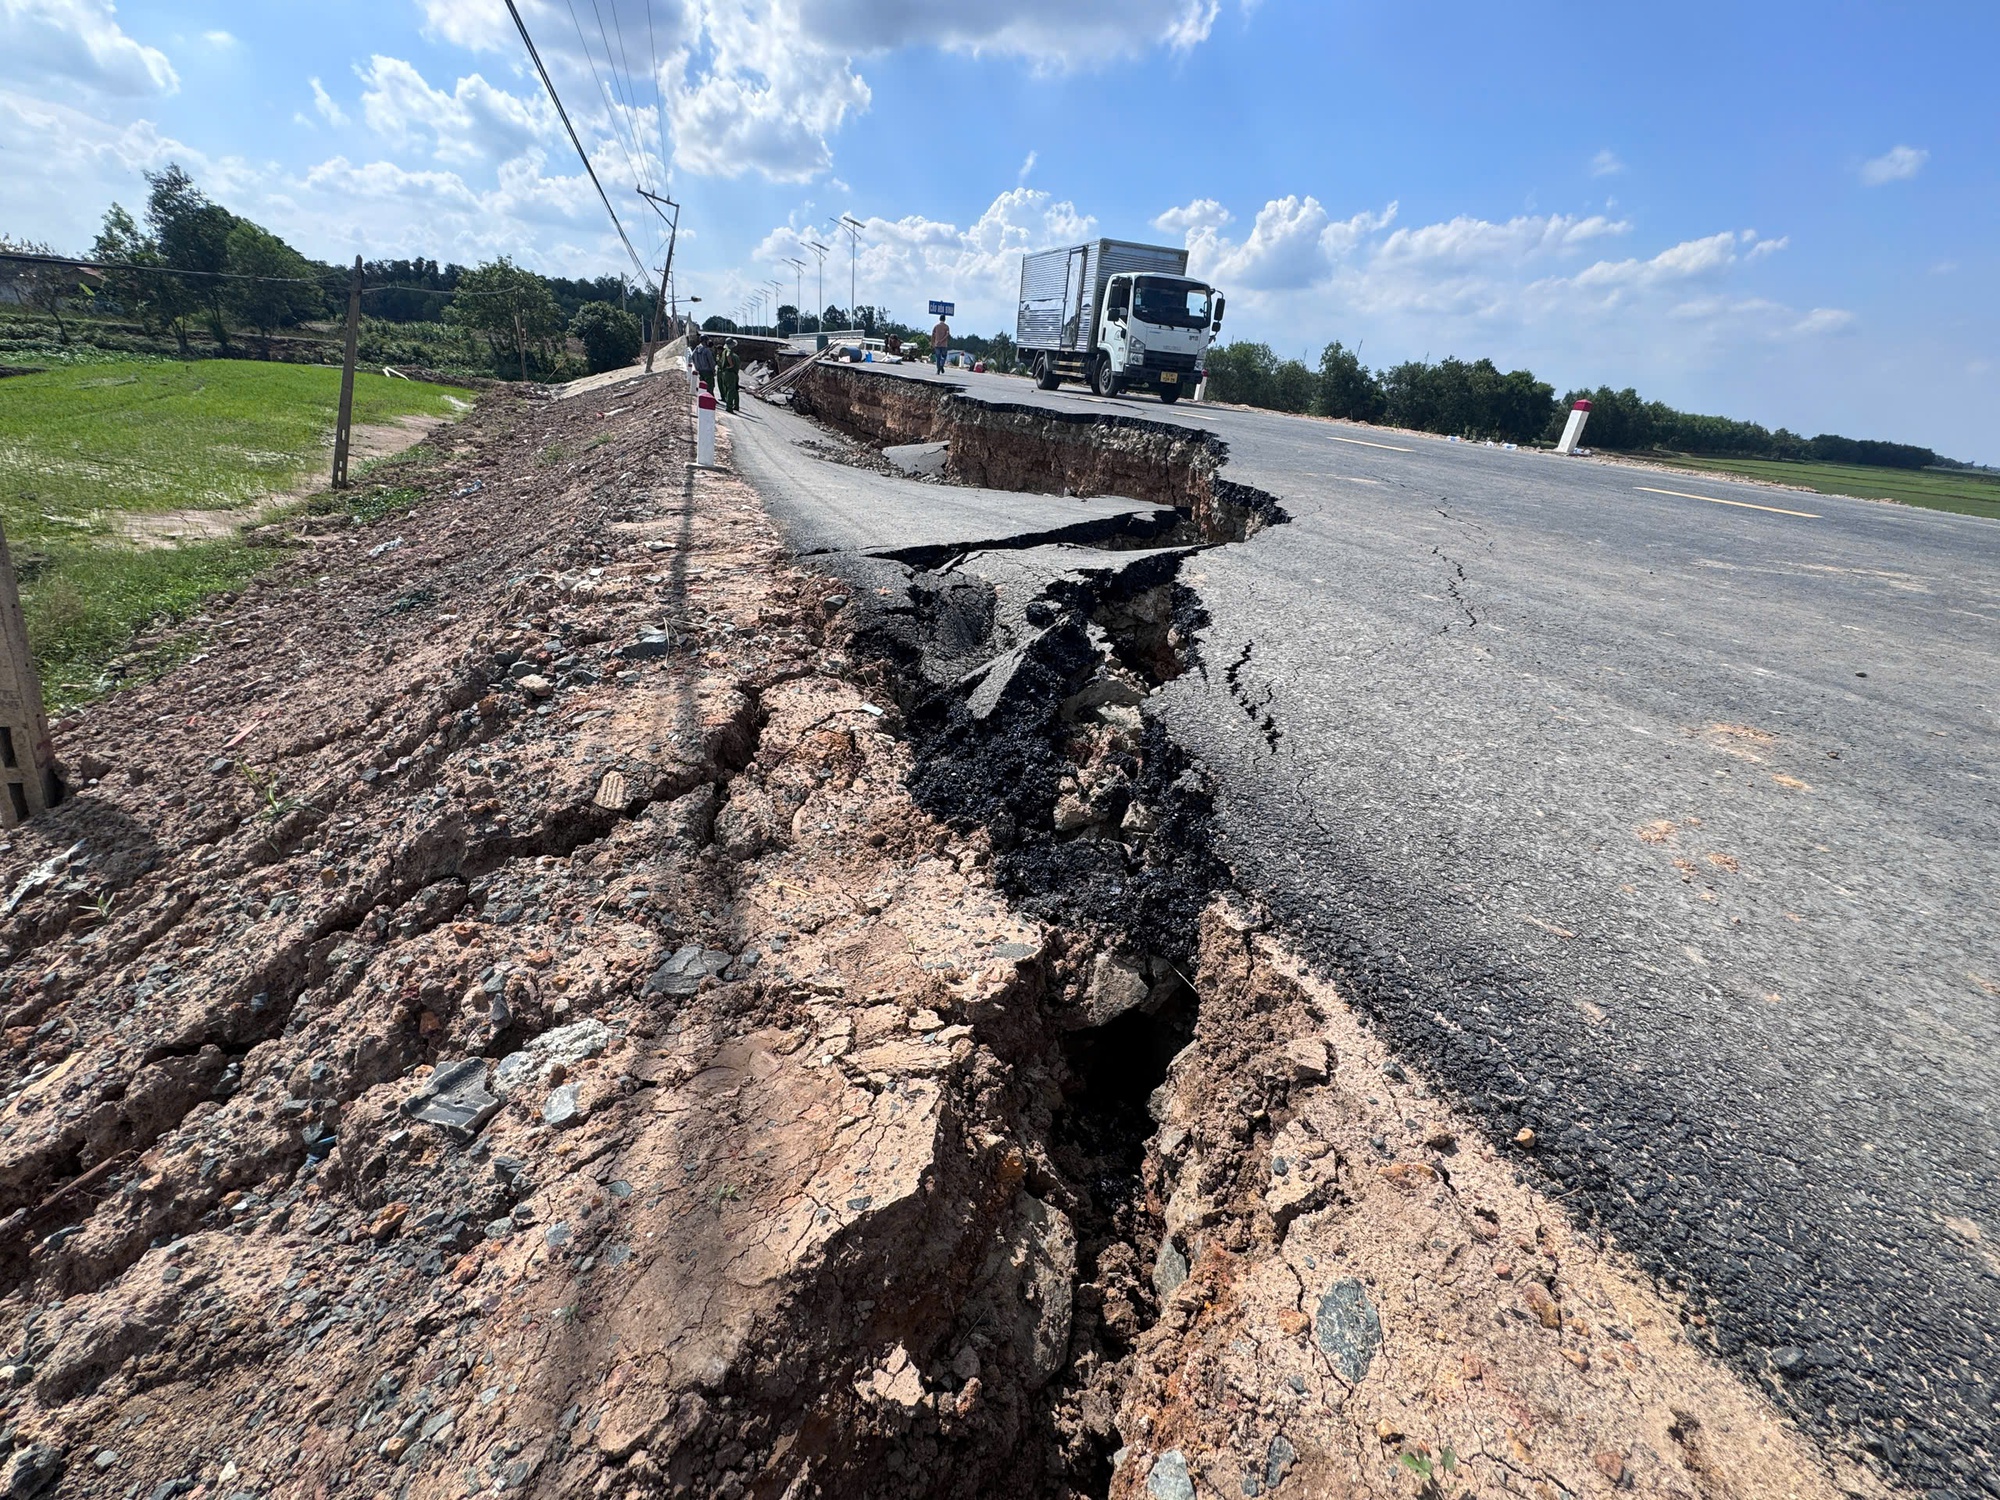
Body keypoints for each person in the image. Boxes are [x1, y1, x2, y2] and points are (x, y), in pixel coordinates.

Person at [718, 340, 741, 414]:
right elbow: (728, 356)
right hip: (731, 373)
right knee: (732, 390)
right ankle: (729, 407)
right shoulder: (729, 351)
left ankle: (729, 405)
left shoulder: (723, 352)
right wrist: (731, 365)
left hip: (725, 373)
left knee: (727, 389)